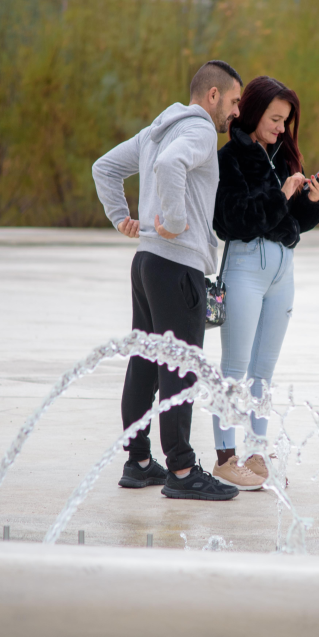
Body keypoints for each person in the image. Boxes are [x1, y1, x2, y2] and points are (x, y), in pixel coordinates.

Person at [92, 60, 243, 501]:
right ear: (212, 96)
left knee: (146, 362)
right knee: (181, 367)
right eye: (233, 101)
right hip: (176, 266)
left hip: (146, 264)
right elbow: (172, 166)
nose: (235, 112)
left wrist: (122, 218)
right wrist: (174, 220)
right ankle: (180, 469)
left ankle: (138, 462)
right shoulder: (196, 130)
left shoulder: (158, 128)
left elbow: (105, 167)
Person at [208, 76, 319, 490]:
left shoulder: (281, 157)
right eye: (276, 119)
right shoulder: (228, 160)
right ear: (254, 112)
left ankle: (256, 451)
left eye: (286, 121)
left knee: (263, 371)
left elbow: (293, 224)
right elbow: (232, 220)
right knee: (234, 369)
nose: (282, 128)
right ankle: (225, 458)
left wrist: (312, 200)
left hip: (283, 270)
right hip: (245, 266)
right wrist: (280, 194)